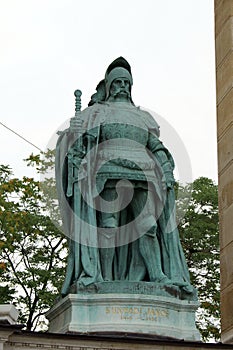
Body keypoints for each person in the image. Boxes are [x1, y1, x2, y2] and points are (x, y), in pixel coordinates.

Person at [55, 57, 193, 296]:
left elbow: (155, 145)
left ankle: (158, 274)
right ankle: (105, 277)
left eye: (125, 83)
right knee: (109, 226)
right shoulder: (97, 112)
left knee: (148, 225)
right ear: (109, 86)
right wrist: (75, 134)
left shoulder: (143, 117)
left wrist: (167, 169)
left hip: (143, 173)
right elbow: (81, 143)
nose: (121, 86)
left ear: (131, 86)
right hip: (108, 172)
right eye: (117, 82)